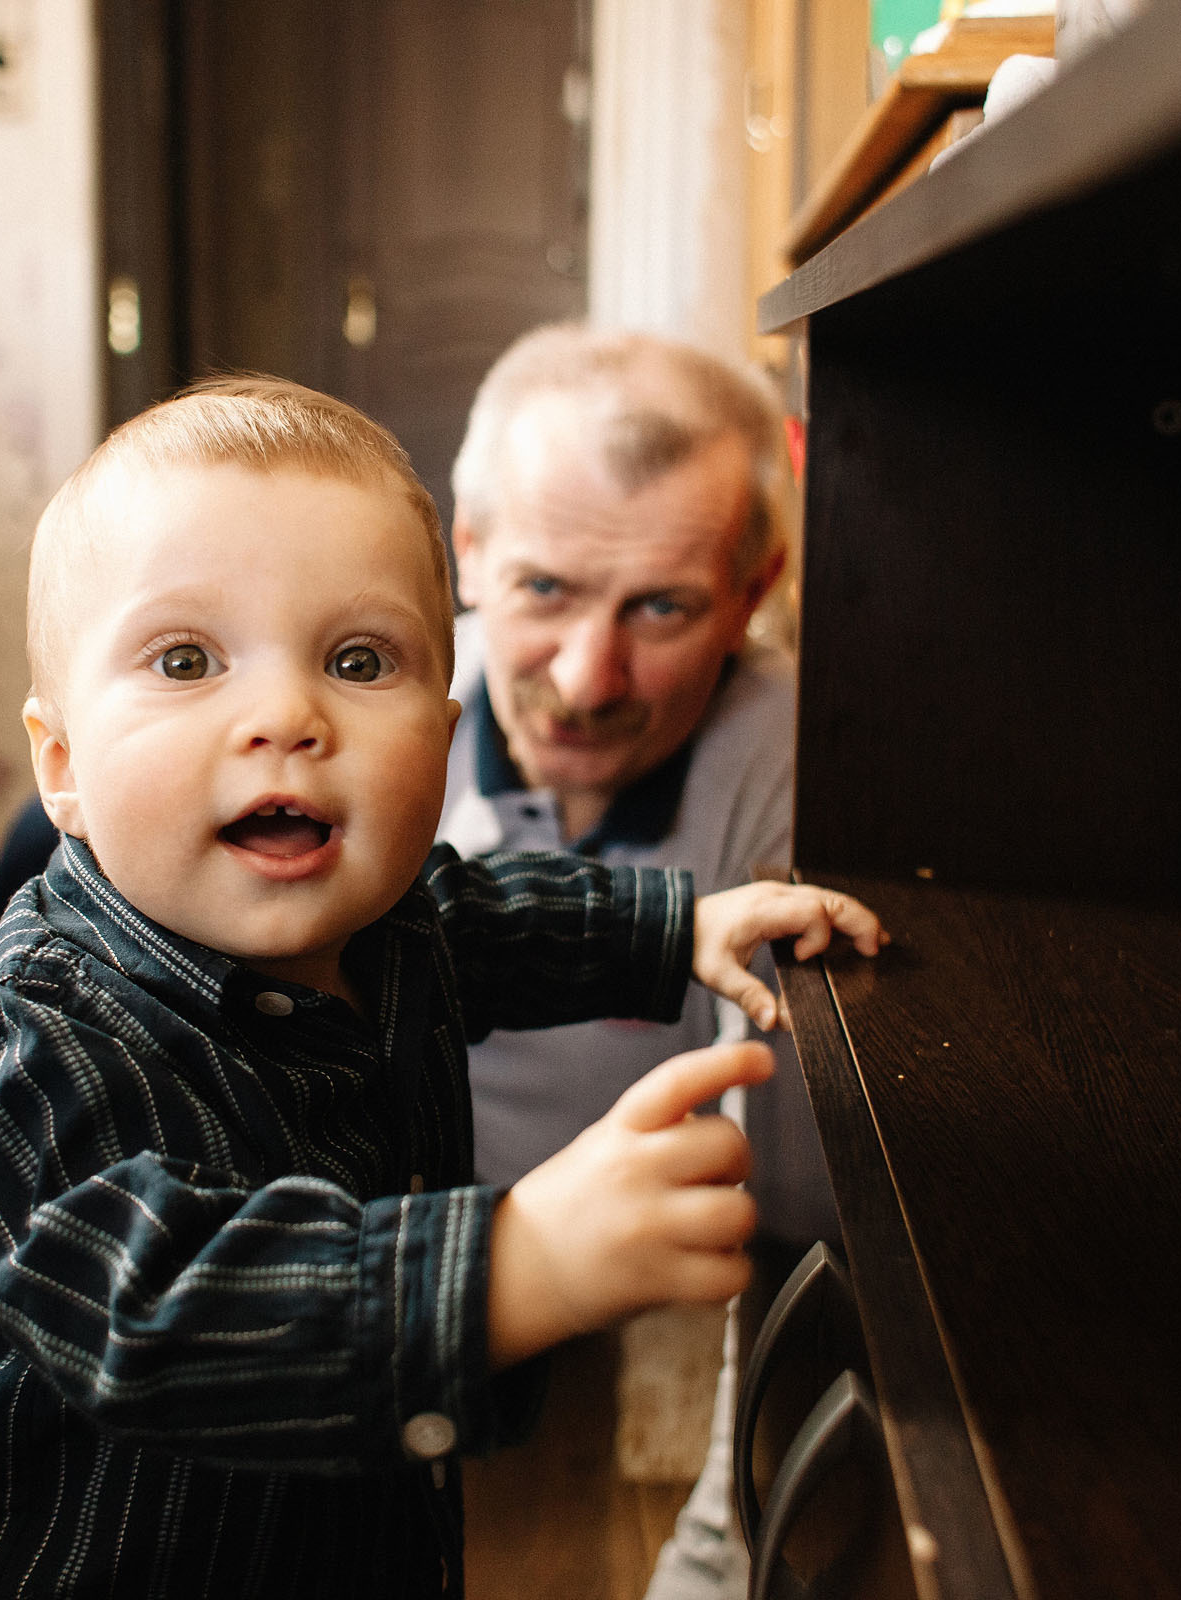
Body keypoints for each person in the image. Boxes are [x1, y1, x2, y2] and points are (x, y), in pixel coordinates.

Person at [0, 377, 882, 1598]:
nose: (284, 714)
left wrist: (680, 926)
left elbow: (489, 914)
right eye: (186, 659)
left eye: (356, 659)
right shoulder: (48, 1034)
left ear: (441, 741)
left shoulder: (392, 922)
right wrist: (518, 1263)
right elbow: (154, 1314)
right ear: (63, 767)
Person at [440, 322, 823, 1597]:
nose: (589, 679)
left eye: (661, 607)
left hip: (639, 1222)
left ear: (753, 588)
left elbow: (795, 1199)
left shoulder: (787, 750)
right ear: (470, 553)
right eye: (544, 590)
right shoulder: (360, 719)